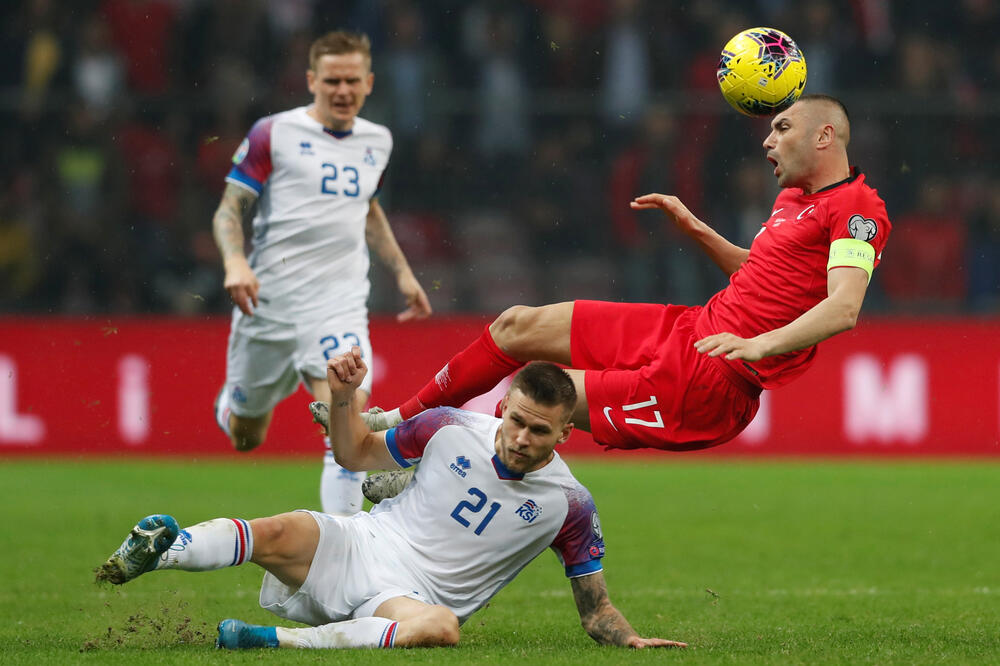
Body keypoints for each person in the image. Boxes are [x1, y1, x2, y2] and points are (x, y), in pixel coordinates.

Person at [360, 94, 890, 486]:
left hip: (711, 383)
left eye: (782, 127)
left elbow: (843, 306)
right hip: (690, 328)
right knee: (516, 325)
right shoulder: (794, 200)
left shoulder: (857, 208)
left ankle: (419, 472)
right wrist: (697, 229)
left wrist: (759, 345)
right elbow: (767, 274)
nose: (768, 140)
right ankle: (397, 421)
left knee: (534, 401)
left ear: (824, 137)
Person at [96, 350, 687, 652]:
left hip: (409, 600)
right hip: (366, 541)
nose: (521, 439)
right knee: (277, 530)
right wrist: (344, 395)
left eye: (540, 432)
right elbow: (354, 455)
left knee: (443, 630)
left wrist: (629, 638)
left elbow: (595, 608)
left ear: (564, 434)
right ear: (502, 409)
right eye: (517, 422)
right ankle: (160, 550)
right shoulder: (450, 426)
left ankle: (270, 641)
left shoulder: (570, 506)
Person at [211, 30, 432, 516]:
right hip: (267, 305)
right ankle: (232, 406)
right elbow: (229, 209)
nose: (342, 90)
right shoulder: (273, 133)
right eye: (332, 80)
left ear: (369, 82)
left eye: (352, 80)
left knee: (347, 428)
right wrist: (235, 261)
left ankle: (344, 559)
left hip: (338, 305)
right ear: (312, 80)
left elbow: (367, 209)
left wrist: (403, 273)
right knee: (248, 437)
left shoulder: (379, 140)